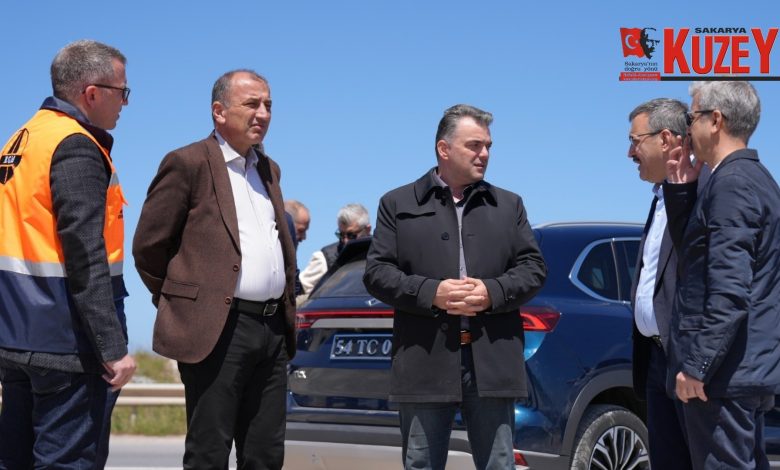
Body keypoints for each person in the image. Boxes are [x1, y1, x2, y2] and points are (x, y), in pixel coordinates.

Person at [363, 104, 547, 470]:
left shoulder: (509, 205)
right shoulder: (397, 203)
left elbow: (534, 269)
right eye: (474, 145)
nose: (485, 154)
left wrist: (492, 292)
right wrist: (432, 293)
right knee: (421, 464)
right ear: (444, 149)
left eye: (488, 146)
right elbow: (377, 272)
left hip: (492, 362)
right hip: (424, 360)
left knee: (498, 465)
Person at [132, 69, 297, 470]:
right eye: (252, 104)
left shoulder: (269, 170)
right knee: (209, 452)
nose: (263, 113)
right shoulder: (187, 162)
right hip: (218, 329)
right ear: (219, 111)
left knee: (265, 454)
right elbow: (148, 247)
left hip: (271, 328)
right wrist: (186, 303)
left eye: (268, 105)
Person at [0, 39, 136, 469]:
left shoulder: (21, 140)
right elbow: (85, 255)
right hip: (67, 342)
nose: (125, 104)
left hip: (16, 337)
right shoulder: (75, 144)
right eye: (123, 92)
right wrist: (111, 347)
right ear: (92, 93)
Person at [664, 81, 780, 469]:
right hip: (739, 370)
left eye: (691, 117)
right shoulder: (755, 179)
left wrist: (697, 366)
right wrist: (684, 192)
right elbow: (696, 258)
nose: (687, 128)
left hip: (723, 376)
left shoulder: (733, 185)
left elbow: (729, 289)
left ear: (716, 120)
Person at [627, 98, 693, 469]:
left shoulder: (700, 193)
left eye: (635, 141)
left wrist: (694, 362)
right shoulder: (659, 198)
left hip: (687, 361)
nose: (630, 153)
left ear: (665, 139)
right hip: (655, 357)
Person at [298, 203, 371, 298]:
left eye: (351, 235)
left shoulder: (382, 253)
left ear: (368, 229)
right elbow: (299, 290)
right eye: (341, 235)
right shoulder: (324, 258)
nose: (345, 241)